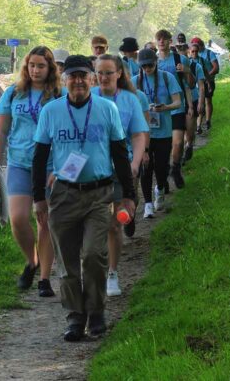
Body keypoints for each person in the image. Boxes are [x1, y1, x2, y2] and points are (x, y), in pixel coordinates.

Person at [32, 55, 136, 341]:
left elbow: (119, 153)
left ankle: (97, 311)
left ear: (92, 79)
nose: (78, 81)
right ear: (64, 79)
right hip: (64, 194)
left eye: (83, 76)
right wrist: (38, 198)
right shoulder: (51, 112)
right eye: (72, 76)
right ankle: (75, 317)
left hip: (99, 194)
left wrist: (129, 195)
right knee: (66, 262)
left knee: (93, 255)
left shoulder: (107, 109)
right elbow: (39, 158)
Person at [0, 46, 62, 297]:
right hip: (19, 163)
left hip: (49, 165)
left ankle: (44, 278)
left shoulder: (59, 95)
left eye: (41, 66)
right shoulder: (14, 94)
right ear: (26, 67)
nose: (36, 70)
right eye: (32, 65)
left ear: (50, 69)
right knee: (18, 218)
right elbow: (1, 131)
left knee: (46, 221)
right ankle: (31, 260)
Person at [92, 55, 149, 297]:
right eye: (99, 73)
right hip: (91, 169)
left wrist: (135, 162)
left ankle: (112, 273)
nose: (103, 77)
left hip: (119, 167)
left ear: (118, 74)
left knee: (114, 224)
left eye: (108, 72)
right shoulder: (88, 96)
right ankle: (92, 269)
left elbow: (138, 135)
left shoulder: (130, 100)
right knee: (94, 224)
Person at [132, 48, 182, 219]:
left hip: (164, 132)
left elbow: (177, 102)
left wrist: (165, 107)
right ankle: (147, 204)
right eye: (143, 66)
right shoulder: (134, 82)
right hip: (143, 134)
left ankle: (159, 189)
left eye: (150, 65)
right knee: (146, 168)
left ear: (156, 62)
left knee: (161, 168)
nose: (147, 69)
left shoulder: (168, 78)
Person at [155, 29, 193, 189]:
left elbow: (190, 84)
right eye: (159, 39)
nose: (162, 41)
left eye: (164, 39)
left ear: (170, 41)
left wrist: (187, 71)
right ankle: (163, 176)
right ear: (156, 41)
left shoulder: (180, 58)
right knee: (163, 148)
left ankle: (175, 168)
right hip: (159, 110)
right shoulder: (153, 61)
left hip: (177, 107)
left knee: (177, 144)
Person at [183, 43, 206, 161]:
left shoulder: (196, 66)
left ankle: (189, 145)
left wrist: (201, 103)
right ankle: (178, 158)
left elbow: (201, 86)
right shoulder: (172, 67)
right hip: (178, 102)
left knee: (190, 133)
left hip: (193, 99)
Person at [191, 37, 219, 131]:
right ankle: (199, 125)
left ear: (200, 45)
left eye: (196, 49)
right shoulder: (189, 59)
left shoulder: (209, 53)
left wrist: (206, 80)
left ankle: (207, 121)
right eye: (193, 50)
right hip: (196, 84)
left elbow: (215, 68)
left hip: (207, 82)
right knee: (200, 102)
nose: (194, 52)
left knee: (207, 101)